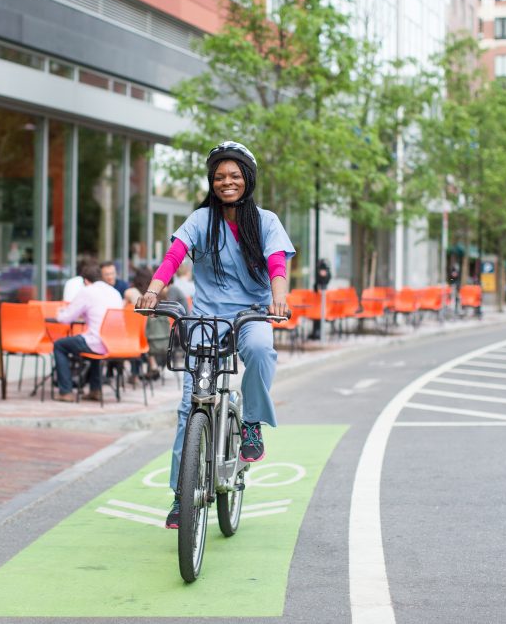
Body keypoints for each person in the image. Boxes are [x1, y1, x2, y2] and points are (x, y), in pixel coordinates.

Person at [136, 140, 294, 529]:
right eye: (220, 176)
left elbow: (277, 265)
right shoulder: (201, 220)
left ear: (248, 179)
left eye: (235, 176)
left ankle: (252, 422)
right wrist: (154, 291)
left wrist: (278, 301)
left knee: (259, 348)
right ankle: (181, 496)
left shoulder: (267, 221)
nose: (227, 182)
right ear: (212, 181)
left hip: (253, 313)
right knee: (189, 407)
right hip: (206, 317)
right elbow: (174, 256)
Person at [51, 262, 123, 402]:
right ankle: (95, 390)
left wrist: (59, 312)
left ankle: (65, 391)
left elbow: (66, 318)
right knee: (93, 347)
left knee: (60, 345)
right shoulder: (114, 292)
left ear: (85, 280)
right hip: (114, 343)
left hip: (97, 342)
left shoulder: (87, 291)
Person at [308, 258, 331, 340]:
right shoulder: (318, 277)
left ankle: (318, 333)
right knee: (317, 315)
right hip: (316, 303)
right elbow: (316, 284)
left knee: (319, 314)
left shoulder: (325, 273)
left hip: (322, 303)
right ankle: (316, 332)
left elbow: (326, 279)